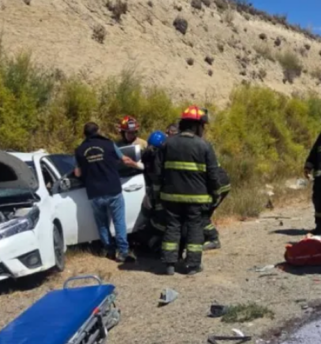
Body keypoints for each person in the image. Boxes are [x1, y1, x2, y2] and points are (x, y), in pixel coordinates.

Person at [154, 106, 220, 275]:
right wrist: (215, 192)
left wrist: (157, 194)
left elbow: (157, 172)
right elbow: (213, 173)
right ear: (196, 126)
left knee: (172, 227)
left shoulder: (167, 143)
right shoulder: (204, 145)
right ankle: (192, 265)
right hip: (196, 198)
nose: (203, 130)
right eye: (202, 126)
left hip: (171, 197)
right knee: (194, 229)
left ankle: (169, 264)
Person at [74, 122, 139, 262]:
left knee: (102, 223)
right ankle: (123, 252)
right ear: (98, 131)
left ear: (84, 134)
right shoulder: (109, 144)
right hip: (113, 189)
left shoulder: (79, 150)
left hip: (94, 192)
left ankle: (110, 250)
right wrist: (139, 166)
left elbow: (78, 173)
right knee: (119, 221)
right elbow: (125, 160)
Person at [141, 130, 167, 252]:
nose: (152, 150)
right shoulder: (148, 156)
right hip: (157, 190)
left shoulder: (153, 156)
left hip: (159, 191)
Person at [203, 165, 230, 251]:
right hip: (219, 181)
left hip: (218, 183)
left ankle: (213, 238)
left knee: (200, 213)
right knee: (203, 214)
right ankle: (204, 237)